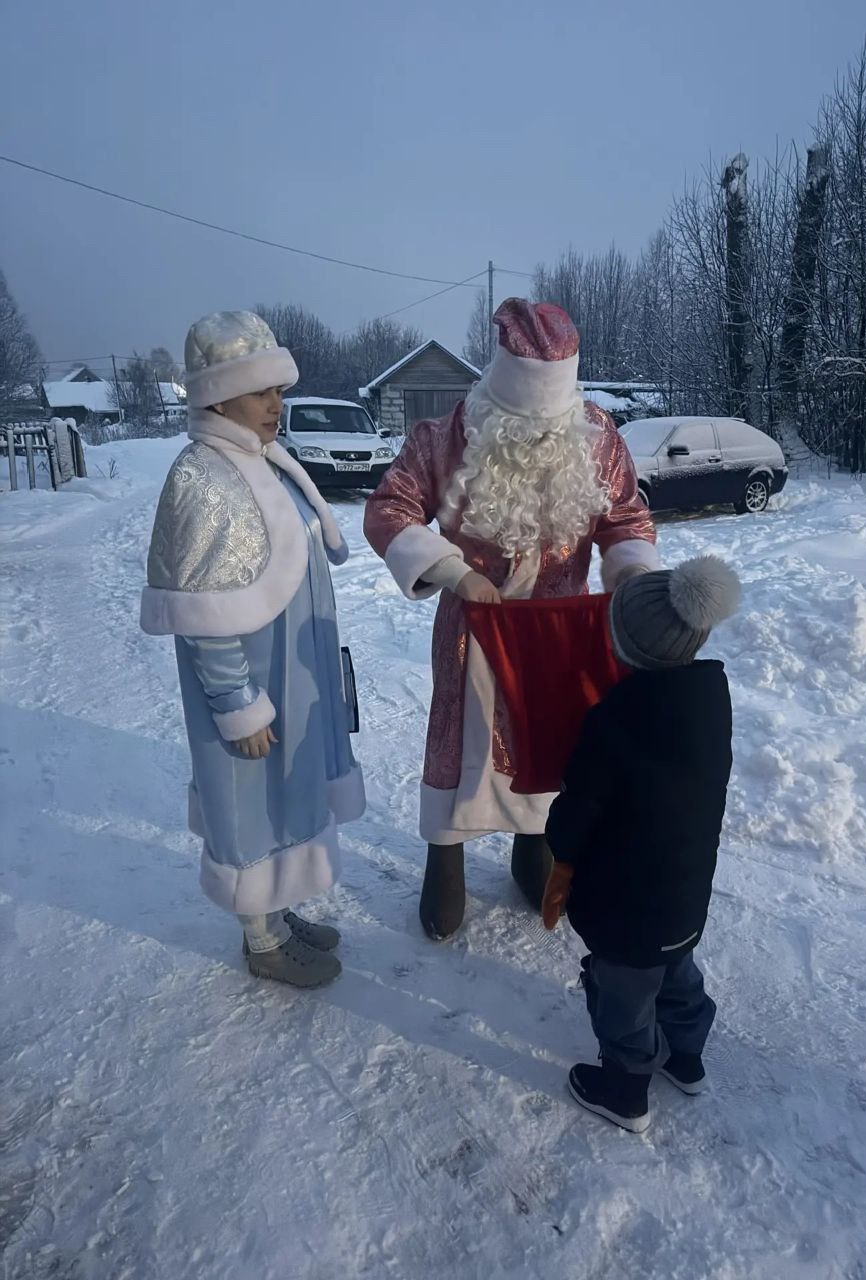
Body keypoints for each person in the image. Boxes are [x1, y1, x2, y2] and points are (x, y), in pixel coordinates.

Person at [364, 298, 659, 940]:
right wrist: (453, 572)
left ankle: (535, 844)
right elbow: (390, 509)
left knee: (548, 739)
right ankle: (445, 857)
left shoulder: (597, 437)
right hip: (475, 628)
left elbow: (625, 518)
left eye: (549, 420)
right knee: (459, 739)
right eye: (527, 419)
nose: (539, 433)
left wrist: (632, 572)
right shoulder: (444, 437)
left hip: (557, 633)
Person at [141, 311, 365, 987]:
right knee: (250, 804)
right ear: (218, 397)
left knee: (288, 798)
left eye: (279, 390)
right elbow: (206, 616)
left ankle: (280, 908)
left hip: (291, 671)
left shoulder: (260, 460)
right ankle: (262, 940)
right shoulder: (203, 476)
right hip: (254, 684)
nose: (276, 405)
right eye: (261, 391)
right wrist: (238, 705)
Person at [541, 556, 740, 1133]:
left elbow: (580, 808)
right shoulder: (711, 698)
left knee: (624, 993)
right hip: (686, 890)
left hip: (625, 904)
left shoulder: (614, 720)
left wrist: (560, 849)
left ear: (627, 647)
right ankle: (687, 1059)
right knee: (677, 972)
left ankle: (626, 1089)